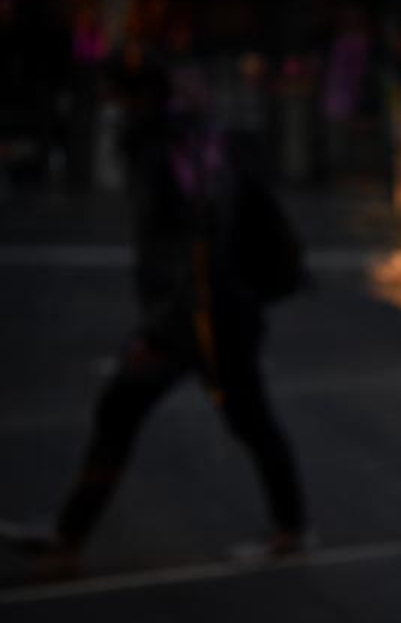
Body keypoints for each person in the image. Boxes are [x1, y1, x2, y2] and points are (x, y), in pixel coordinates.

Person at [1, 49, 310, 578]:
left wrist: (161, 328)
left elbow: (195, 252)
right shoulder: (188, 147)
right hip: (206, 315)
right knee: (182, 413)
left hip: (206, 319)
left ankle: (289, 528)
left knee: (217, 415)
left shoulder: (188, 153)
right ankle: (69, 535)